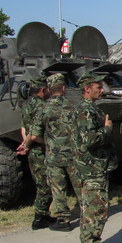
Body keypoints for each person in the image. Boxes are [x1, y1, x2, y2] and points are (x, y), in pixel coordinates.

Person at [71, 71, 119, 243]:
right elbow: (89, 140)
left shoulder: (89, 108)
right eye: (98, 87)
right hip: (92, 168)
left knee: (88, 208)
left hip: (92, 166)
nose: (102, 89)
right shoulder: (85, 110)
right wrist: (107, 128)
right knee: (96, 209)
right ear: (86, 88)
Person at [37, 73, 78, 231]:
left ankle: (62, 220)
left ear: (48, 89)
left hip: (54, 155)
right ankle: (87, 213)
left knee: (58, 188)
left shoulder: (44, 108)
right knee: (79, 186)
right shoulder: (74, 106)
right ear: (63, 88)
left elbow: (34, 134)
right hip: (73, 155)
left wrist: (48, 142)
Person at [16, 76, 55, 230]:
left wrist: (25, 144)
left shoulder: (26, 104)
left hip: (32, 150)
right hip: (40, 150)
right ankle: (40, 217)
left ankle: (43, 215)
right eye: (47, 90)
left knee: (41, 182)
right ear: (42, 90)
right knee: (45, 184)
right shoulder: (42, 106)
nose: (49, 92)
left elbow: (24, 128)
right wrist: (46, 143)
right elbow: (34, 133)